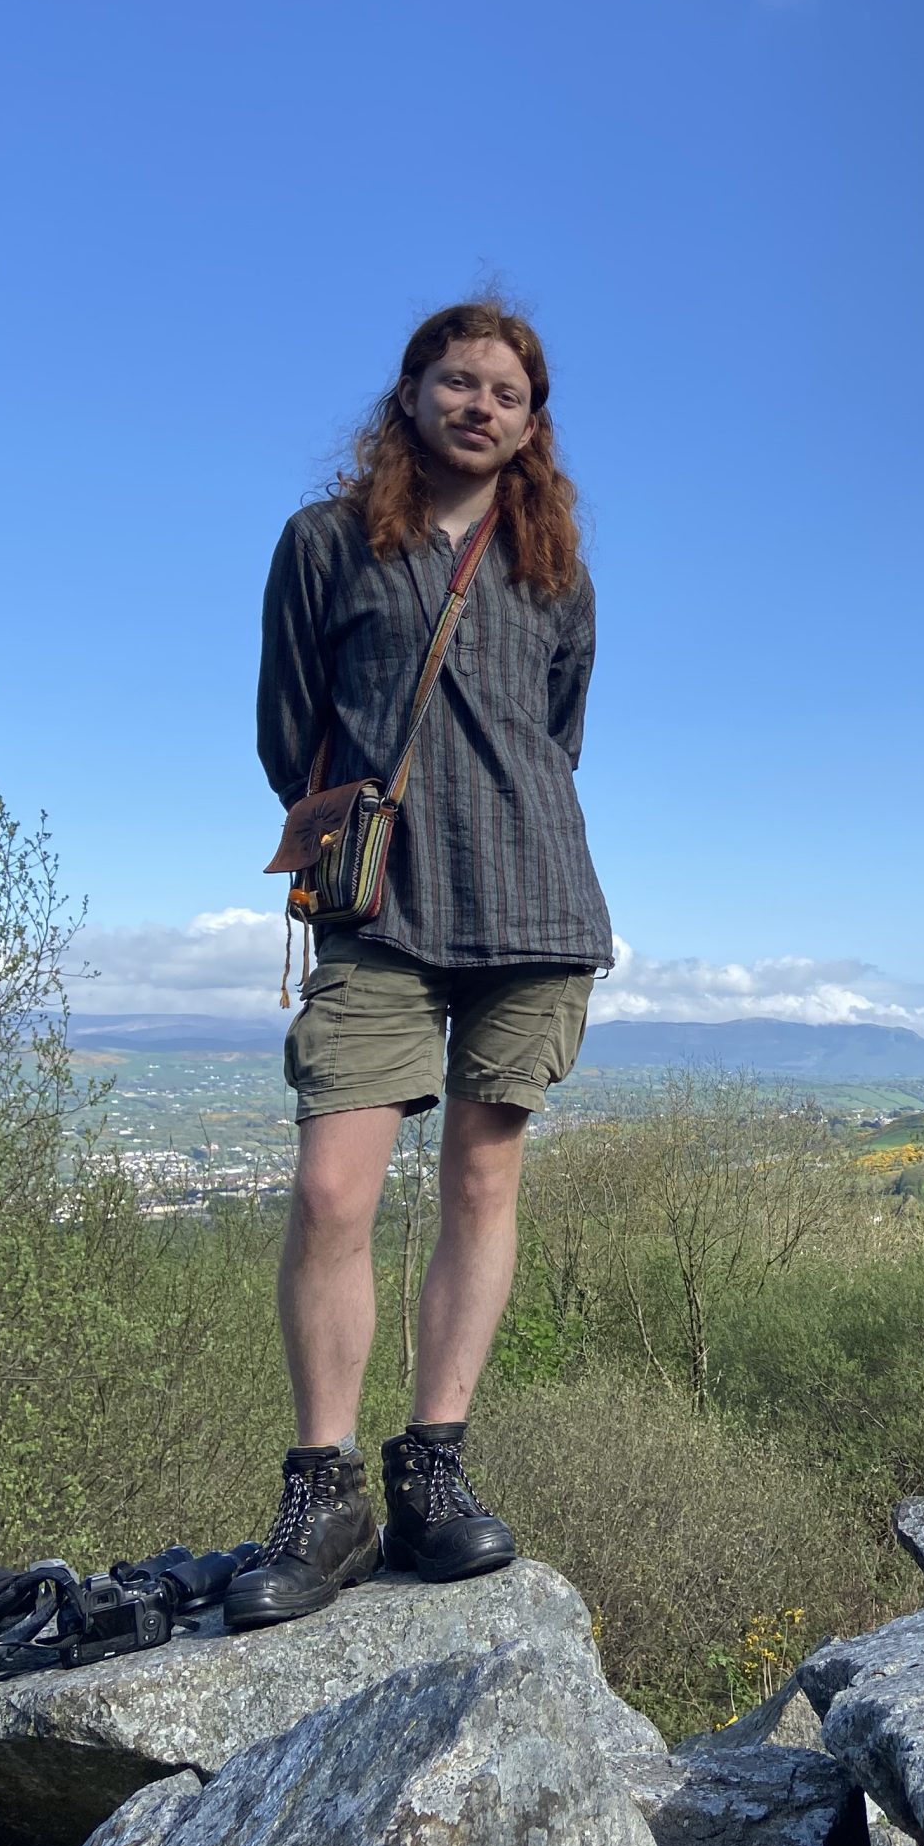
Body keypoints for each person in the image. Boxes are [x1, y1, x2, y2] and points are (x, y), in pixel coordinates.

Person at [228, 299, 612, 1630]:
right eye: (459, 380)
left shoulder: (552, 570)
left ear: (530, 423)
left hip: (531, 897)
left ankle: (432, 1476)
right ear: (411, 395)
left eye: (508, 392)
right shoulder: (326, 544)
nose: (482, 405)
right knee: (335, 1189)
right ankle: (324, 1491)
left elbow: (558, 734)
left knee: (482, 1179)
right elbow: (293, 734)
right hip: (381, 906)